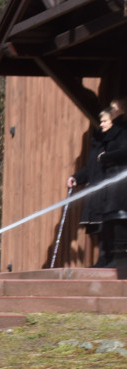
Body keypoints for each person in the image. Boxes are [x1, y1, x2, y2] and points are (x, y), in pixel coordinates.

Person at [68, 105, 120, 268]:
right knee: (95, 225)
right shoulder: (98, 142)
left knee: (108, 224)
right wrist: (76, 178)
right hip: (95, 188)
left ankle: (110, 258)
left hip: (108, 189)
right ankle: (102, 259)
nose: (102, 124)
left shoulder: (115, 142)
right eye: (101, 121)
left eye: (105, 121)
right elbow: (91, 167)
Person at [92, 101, 127, 279]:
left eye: (114, 107)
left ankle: (120, 260)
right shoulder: (116, 130)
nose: (111, 111)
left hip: (122, 181)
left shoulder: (123, 130)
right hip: (112, 180)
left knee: (119, 217)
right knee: (111, 218)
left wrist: (106, 157)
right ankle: (108, 258)